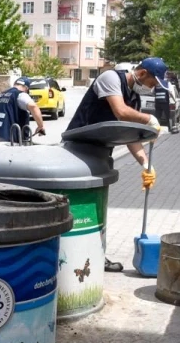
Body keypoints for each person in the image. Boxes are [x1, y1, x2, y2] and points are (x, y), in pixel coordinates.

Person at [66, 57, 168, 271]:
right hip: (77, 151)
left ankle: (96, 256)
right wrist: (148, 119)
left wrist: (145, 163)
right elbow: (121, 112)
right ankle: (69, 256)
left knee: (98, 208)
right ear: (141, 74)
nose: (152, 88)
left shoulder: (134, 99)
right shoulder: (110, 78)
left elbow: (129, 137)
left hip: (101, 154)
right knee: (78, 207)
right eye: (152, 83)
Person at [0, 76, 45, 144]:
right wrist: (40, 126)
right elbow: (33, 106)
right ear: (26, 88)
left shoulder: (0, 95)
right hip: (9, 137)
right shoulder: (20, 94)